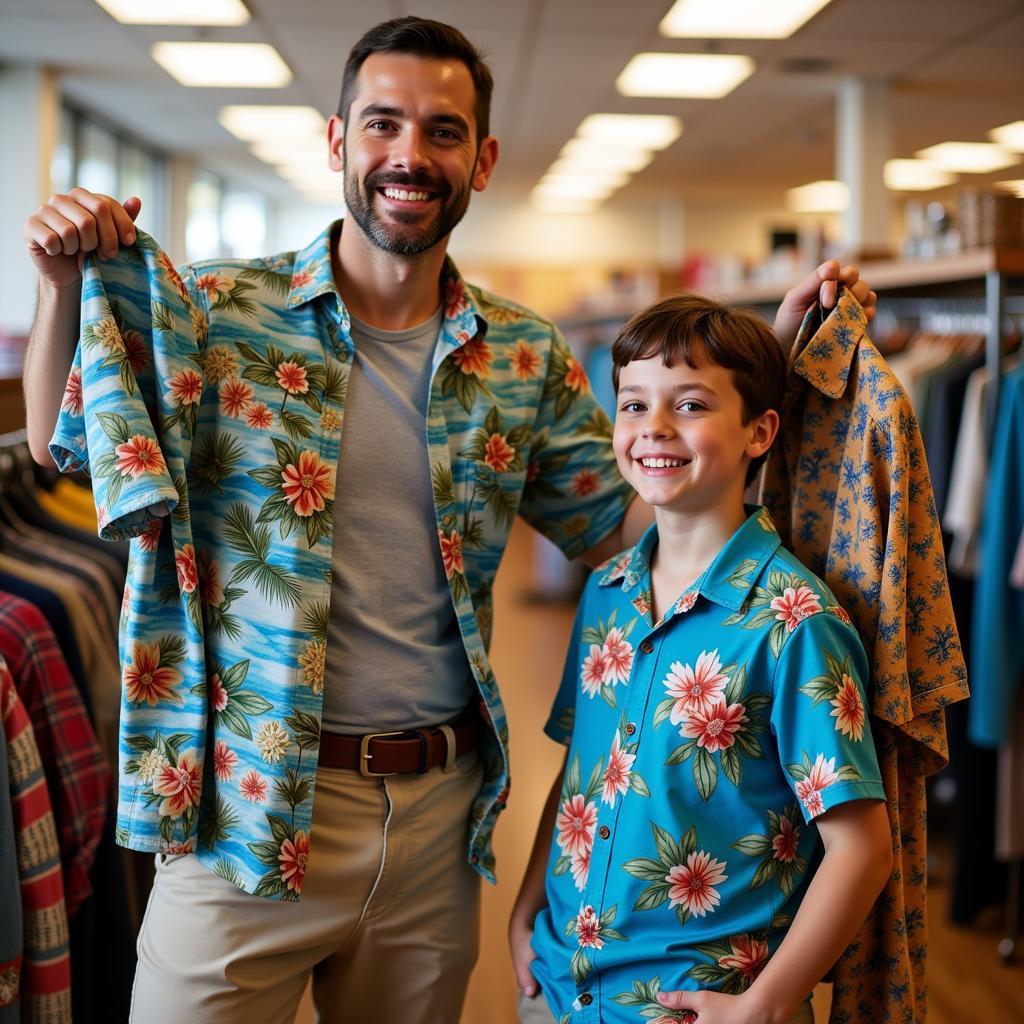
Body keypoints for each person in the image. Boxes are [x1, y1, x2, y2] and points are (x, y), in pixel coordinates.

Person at [22, 16, 878, 1024]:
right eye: (383, 123)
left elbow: (649, 521)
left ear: (481, 158)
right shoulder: (214, 315)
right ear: (337, 140)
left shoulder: (522, 356)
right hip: (242, 813)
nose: (410, 154)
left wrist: (745, 380)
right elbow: (61, 446)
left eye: (442, 130)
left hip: (434, 820)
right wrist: (60, 290)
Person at [509, 294, 892, 1024]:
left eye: (688, 406)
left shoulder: (796, 623)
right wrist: (524, 912)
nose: (652, 428)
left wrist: (769, 1005)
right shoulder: (607, 591)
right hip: (558, 987)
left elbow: (861, 850)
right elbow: (581, 774)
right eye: (632, 405)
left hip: (699, 1008)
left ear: (759, 431)